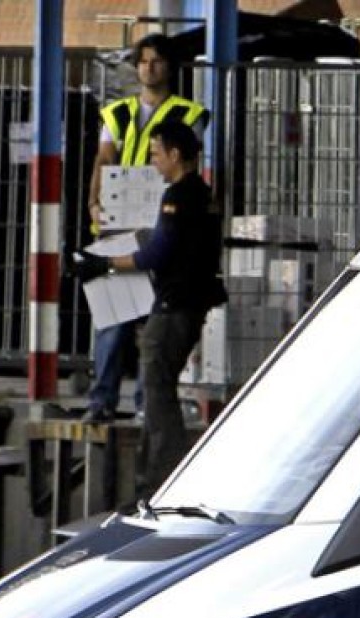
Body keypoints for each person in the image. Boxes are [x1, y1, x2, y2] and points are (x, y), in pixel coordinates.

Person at [75, 120, 227, 495]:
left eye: (156, 153)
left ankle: (163, 480)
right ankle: (154, 475)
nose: (153, 161)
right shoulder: (203, 194)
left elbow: (159, 253)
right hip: (189, 305)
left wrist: (105, 264)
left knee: (158, 394)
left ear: (175, 155)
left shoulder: (179, 195)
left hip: (174, 306)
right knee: (158, 393)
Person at [83, 32, 209, 424]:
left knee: (154, 316)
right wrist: (94, 202)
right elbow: (104, 159)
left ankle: (143, 405)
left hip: (161, 223)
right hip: (119, 222)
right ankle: (100, 401)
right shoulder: (116, 113)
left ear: (169, 67)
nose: (148, 68)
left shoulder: (189, 114)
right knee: (113, 320)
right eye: (142, 61)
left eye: (155, 61)